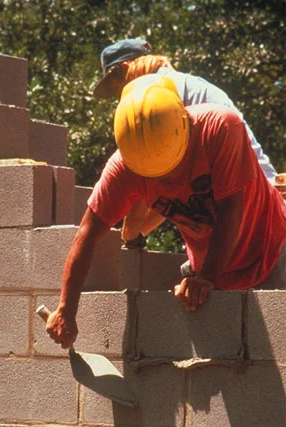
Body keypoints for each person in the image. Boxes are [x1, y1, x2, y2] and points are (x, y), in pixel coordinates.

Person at [46, 77, 286, 348]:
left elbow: (232, 208)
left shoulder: (220, 128)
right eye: (155, 176)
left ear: (184, 124)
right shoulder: (125, 166)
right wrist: (66, 308)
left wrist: (206, 279)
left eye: (174, 166)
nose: (169, 181)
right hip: (215, 270)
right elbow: (87, 234)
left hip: (272, 248)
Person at [93, 38, 278, 247]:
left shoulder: (160, 100)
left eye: (119, 88)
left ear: (126, 68)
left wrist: (129, 235)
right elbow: (169, 198)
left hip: (255, 209)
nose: (122, 97)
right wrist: (136, 236)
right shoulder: (182, 86)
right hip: (259, 205)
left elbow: (143, 183)